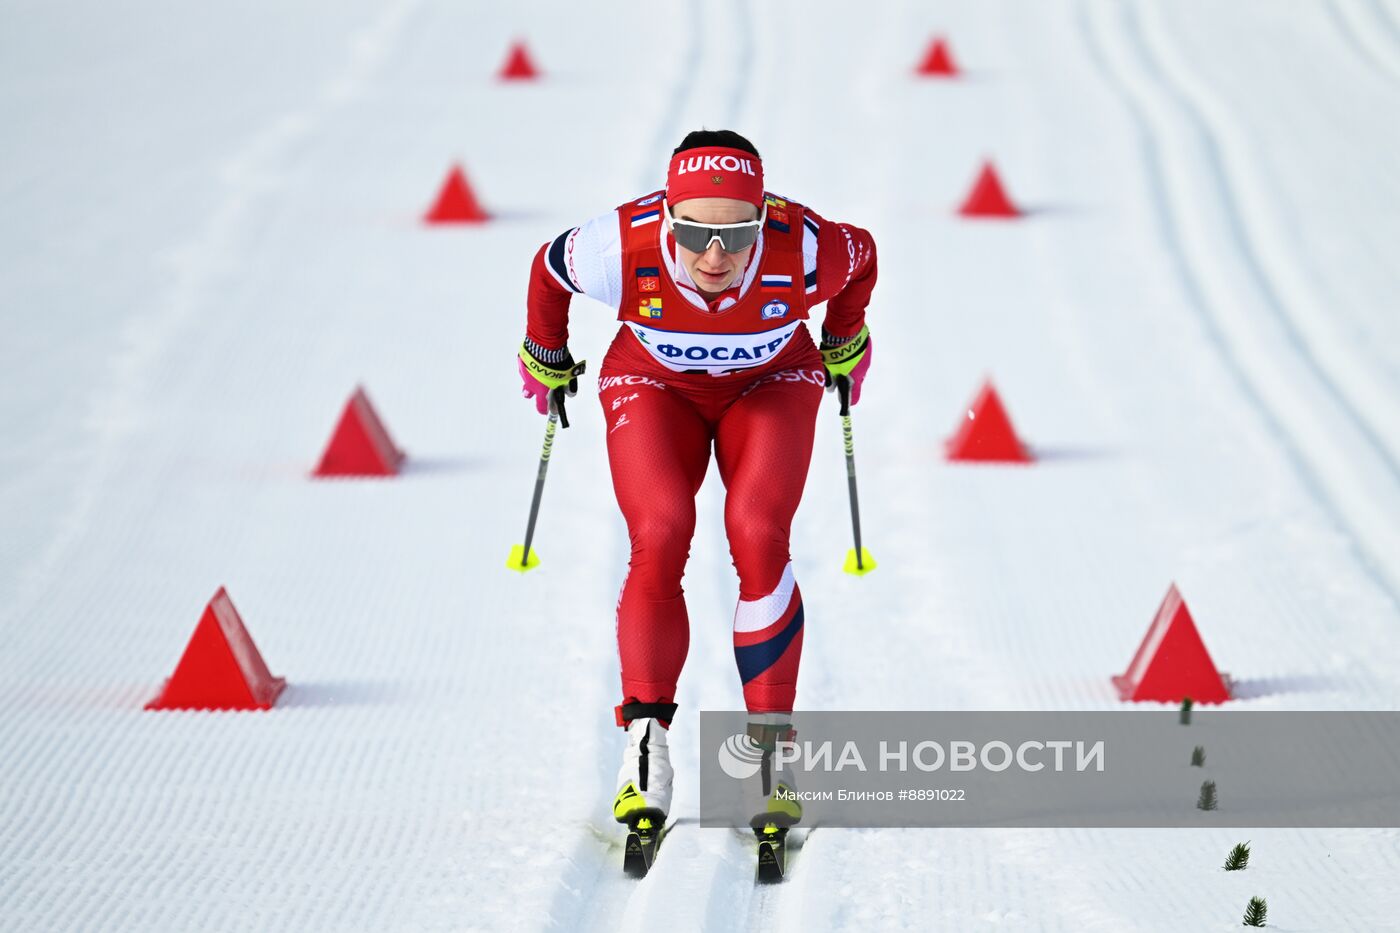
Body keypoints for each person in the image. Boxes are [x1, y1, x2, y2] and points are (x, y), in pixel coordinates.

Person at [518, 129, 877, 837]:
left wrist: (845, 335)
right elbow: (547, 270)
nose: (716, 256)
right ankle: (645, 744)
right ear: (667, 216)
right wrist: (545, 350)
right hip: (653, 382)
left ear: (763, 214)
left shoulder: (806, 246)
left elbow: (863, 258)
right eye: (693, 233)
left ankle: (772, 754)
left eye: (739, 234)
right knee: (660, 531)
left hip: (771, 381)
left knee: (757, 532)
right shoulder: (616, 245)